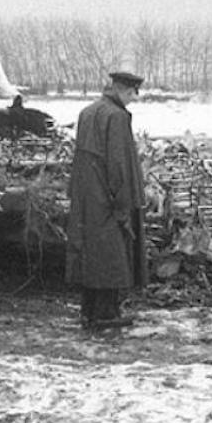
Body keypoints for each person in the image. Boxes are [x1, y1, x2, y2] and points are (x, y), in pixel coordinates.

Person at [66, 71, 147, 330]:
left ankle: (89, 310)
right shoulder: (117, 116)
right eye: (133, 94)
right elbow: (118, 164)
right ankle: (107, 313)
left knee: (92, 253)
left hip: (86, 196)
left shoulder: (87, 112)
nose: (133, 100)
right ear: (125, 91)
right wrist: (123, 202)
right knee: (113, 254)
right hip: (108, 198)